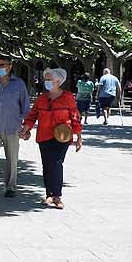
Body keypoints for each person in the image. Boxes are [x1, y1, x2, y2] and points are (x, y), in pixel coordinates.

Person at [20, 67, 82, 209]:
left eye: (50, 80)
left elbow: (75, 117)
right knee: (47, 165)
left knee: (56, 163)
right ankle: (49, 194)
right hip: (44, 136)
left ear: (58, 81)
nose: (46, 82)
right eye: (46, 79)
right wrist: (25, 129)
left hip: (62, 137)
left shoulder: (67, 97)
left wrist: (78, 136)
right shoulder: (41, 98)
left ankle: (57, 196)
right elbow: (32, 115)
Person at [0, 55, 30, 202]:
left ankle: (10, 187)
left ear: (10, 66)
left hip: (12, 127)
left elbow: (26, 107)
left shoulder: (19, 84)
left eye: (2, 64)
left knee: (12, 159)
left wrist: (25, 128)